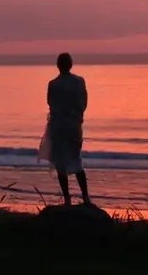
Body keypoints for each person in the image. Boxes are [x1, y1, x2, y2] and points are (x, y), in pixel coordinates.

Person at [46, 52, 90, 205]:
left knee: (61, 163)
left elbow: (50, 103)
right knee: (77, 160)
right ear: (70, 65)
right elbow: (83, 103)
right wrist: (77, 117)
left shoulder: (53, 84)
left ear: (58, 66)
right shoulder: (79, 82)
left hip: (59, 125)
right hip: (73, 125)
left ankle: (67, 199)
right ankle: (85, 197)